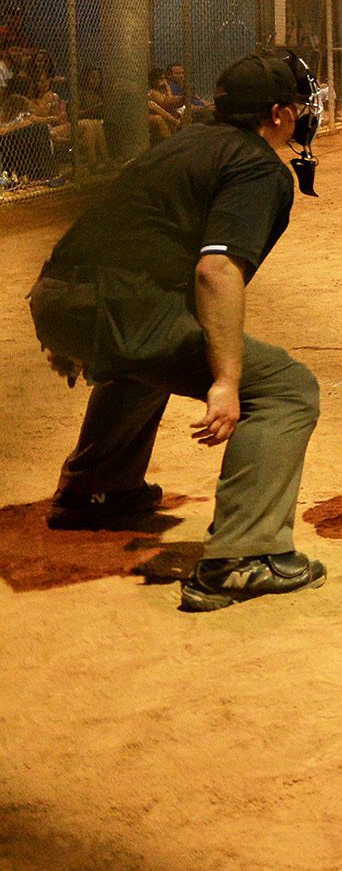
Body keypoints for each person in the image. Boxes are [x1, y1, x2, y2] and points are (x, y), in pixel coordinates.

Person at [26, 50, 326, 612]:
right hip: (115, 306)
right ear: (278, 114)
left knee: (152, 352)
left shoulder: (185, 142)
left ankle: (99, 489)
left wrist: (79, 325)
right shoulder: (258, 167)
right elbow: (216, 271)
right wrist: (226, 380)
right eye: (298, 105)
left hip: (60, 295)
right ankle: (243, 557)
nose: (304, 114)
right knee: (287, 388)